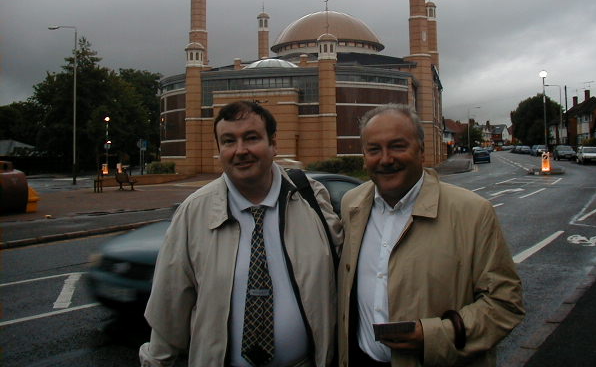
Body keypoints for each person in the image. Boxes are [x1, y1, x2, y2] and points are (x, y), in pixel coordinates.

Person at [140, 101, 343, 367]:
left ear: (273, 144)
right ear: (220, 150)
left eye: (251, 138)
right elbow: (170, 305)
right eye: (228, 141)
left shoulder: (311, 198)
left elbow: (347, 279)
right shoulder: (194, 212)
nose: (240, 151)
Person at [338, 104, 524, 367]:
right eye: (374, 150)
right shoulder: (352, 204)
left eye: (398, 146)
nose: (386, 158)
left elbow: (506, 304)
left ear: (422, 151)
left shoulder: (473, 212)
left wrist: (433, 335)